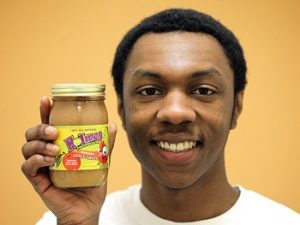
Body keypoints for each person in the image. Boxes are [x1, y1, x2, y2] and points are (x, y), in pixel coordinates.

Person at [21, 8, 300, 225]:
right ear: (121, 110)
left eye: (203, 90)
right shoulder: (63, 221)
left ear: (236, 108)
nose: (175, 113)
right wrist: (78, 221)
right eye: (150, 90)